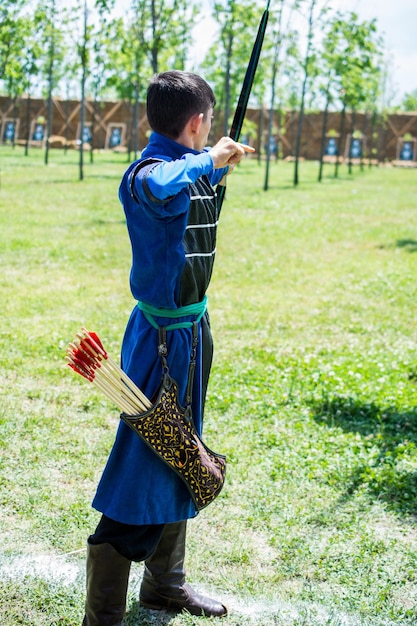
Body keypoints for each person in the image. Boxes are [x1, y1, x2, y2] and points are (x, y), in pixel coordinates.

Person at [82, 70, 254, 625]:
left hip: (191, 333)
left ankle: (164, 585)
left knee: (184, 450)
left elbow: (196, 208)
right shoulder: (147, 174)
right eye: (206, 129)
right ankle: (102, 615)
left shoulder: (192, 171)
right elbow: (161, 185)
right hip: (158, 342)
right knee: (147, 458)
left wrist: (215, 168)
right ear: (199, 123)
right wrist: (209, 160)